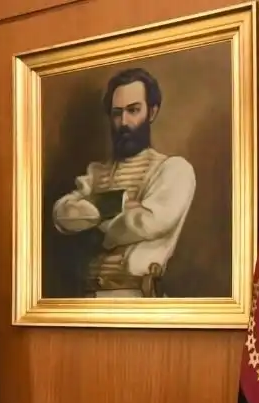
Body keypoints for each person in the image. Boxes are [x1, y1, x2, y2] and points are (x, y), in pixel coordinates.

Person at [52, 67, 197, 298]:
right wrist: (121, 204)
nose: (124, 122)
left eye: (133, 110)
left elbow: (146, 223)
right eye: (117, 113)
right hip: (88, 301)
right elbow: (62, 215)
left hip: (138, 301)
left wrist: (93, 219)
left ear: (151, 112)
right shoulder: (95, 172)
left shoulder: (174, 170)